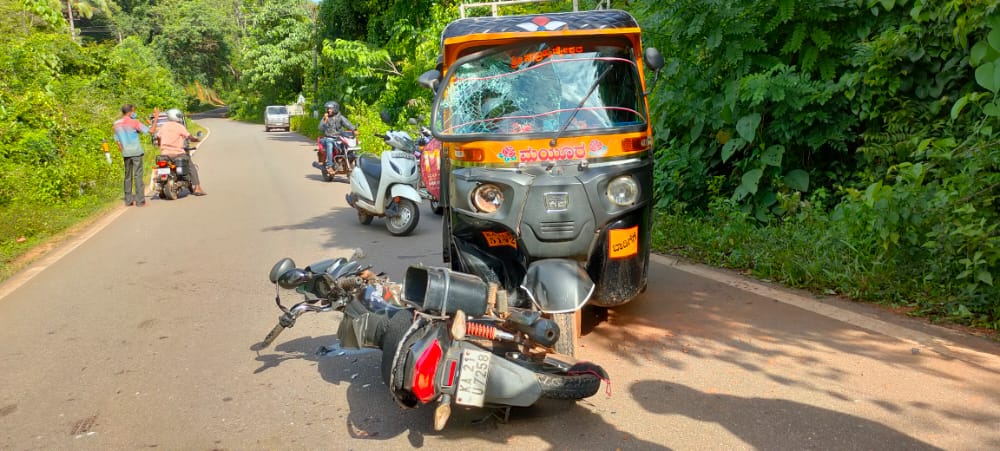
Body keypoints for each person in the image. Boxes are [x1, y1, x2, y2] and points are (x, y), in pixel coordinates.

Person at [113, 104, 158, 207]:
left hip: (126, 153)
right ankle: (140, 201)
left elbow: (117, 140)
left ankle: (128, 201)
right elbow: (151, 131)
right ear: (130, 112)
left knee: (127, 176)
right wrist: (155, 119)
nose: (134, 113)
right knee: (138, 176)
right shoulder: (135, 122)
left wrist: (122, 148)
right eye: (133, 111)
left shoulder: (116, 124)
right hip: (136, 152)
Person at [156, 108, 206, 196]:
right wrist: (196, 139)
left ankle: (161, 190)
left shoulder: (163, 126)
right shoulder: (179, 126)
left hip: (164, 154)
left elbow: (158, 138)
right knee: (191, 167)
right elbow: (189, 136)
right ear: (176, 116)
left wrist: (161, 145)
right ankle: (197, 188)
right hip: (177, 153)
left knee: (161, 168)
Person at [318, 101, 357, 171]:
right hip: (328, 138)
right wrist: (325, 121)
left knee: (350, 145)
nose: (328, 110)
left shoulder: (340, 117)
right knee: (329, 144)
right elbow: (320, 128)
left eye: (330, 108)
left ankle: (349, 161)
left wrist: (354, 129)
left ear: (335, 109)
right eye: (328, 109)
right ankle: (329, 166)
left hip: (339, 138)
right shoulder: (325, 118)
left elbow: (347, 123)